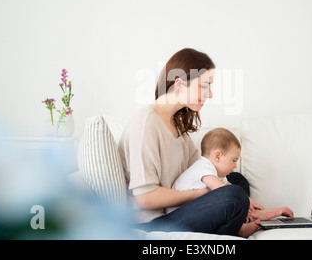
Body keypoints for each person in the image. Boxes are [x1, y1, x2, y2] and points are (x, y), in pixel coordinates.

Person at [118, 47, 292, 237]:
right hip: (153, 223)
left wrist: (220, 187)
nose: (209, 94)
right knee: (233, 196)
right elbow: (145, 198)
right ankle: (236, 228)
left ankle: (247, 216)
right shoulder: (146, 124)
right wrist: (201, 194)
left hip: (176, 210)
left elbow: (204, 170)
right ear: (179, 85)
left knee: (236, 180)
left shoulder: (177, 126)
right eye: (204, 85)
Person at [167, 127, 294, 237]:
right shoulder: (203, 167)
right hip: (182, 215)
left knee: (238, 181)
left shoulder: (215, 172)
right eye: (233, 160)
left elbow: (228, 186)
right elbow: (221, 190)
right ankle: (238, 229)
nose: (235, 165)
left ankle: (253, 214)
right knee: (234, 193)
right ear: (217, 156)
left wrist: (250, 203)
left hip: (197, 209)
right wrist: (242, 201)